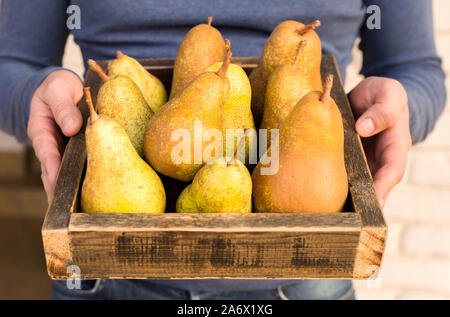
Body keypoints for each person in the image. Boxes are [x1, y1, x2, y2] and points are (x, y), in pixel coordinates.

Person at [0, 0, 446, 300]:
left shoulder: (275, 105)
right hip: (107, 269)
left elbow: (412, 67)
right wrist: (33, 95)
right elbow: (11, 62)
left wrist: (399, 108)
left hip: (303, 274)